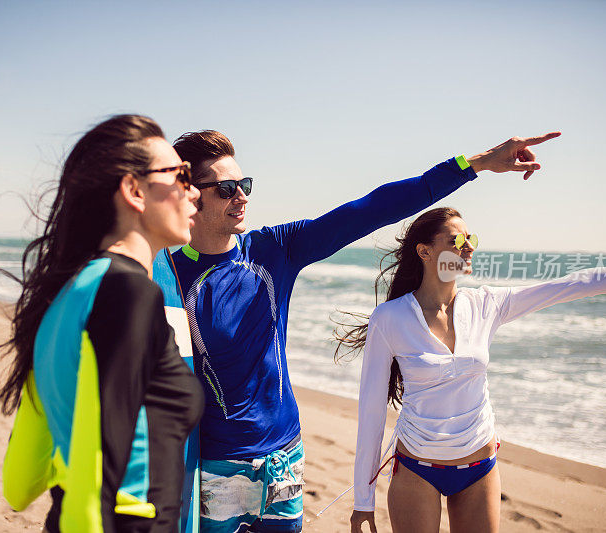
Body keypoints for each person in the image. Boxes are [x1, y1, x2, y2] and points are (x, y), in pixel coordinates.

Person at [169, 129, 561, 532]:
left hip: (285, 459)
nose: (242, 197)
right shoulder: (169, 276)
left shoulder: (275, 250)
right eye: (227, 188)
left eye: (244, 185)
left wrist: (475, 164)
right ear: (189, 194)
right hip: (215, 467)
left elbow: (372, 208)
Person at [341, 207, 606, 532]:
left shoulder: (486, 305)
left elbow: (579, 283)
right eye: (458, 239)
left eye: (471, 238)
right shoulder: (390, 318)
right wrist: (363, 501)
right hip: (416, 469)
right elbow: (371, 412)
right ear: (425, 251)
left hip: (479, 467)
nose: (469, 246)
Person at [0, 114, 205, 532]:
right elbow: (100, 473)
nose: (194, 191)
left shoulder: (62, 298)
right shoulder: (128, 295)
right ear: (134, 190)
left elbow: (20, 482)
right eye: (180, 175)